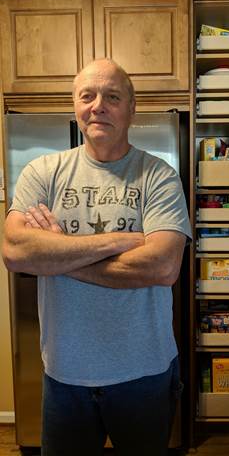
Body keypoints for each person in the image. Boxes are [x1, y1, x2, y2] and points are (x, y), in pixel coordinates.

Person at [1, 58, 192, 456]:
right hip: (65, 374)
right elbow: (16, 252)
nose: (98, 105)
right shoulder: (43, 171)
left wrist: (56, 255)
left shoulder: (158, 175)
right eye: (87, 96)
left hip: (144, 371)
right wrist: (119, 241)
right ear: (75, 104)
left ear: (131, 108)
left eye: (112, 96)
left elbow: (162, 265)